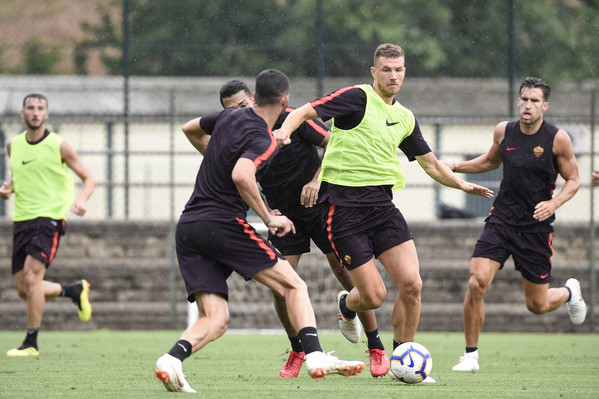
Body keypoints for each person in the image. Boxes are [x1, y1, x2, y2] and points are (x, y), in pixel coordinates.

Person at [274, 43, 494, 382]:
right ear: (374, 72)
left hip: (383, 209)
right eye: (387, 69)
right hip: (344, 212)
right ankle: (348, 305)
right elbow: (302, 111)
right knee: (374, 296)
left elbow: (431, 165)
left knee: (412, 284)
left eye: (399, 69)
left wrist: (463, 186)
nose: (393, 75)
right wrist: (284, 133)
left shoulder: (405, 117)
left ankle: (401, 361)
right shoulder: (356, 98)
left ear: (405, 72)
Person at [153, 69, 364, 393]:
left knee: (216, 319)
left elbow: (190, 128)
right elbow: (241, 175)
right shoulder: (263, 136)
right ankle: (315, 356)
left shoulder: (225, 121)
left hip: (189, 227)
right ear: (284, 101)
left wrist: (216, 155)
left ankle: (171, 360)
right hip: (222, 223)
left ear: (253, 97)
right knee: (294, 286)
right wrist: (268, 217)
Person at [216, 79, 387, 378]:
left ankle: (375, 346)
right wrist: (267, 211)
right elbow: (241, 175)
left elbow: (335, 143)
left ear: (254, 99)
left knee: (347, 272)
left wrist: (316, 180)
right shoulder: (240, 133)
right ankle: (298, 349)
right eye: (230, 111)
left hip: (322, 206)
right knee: (280, 286)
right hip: (284, 217)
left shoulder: (289, 118)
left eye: (243, 105)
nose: (238, 113)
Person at [447, 77, 586, 372]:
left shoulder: (557, 139)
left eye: (534, 101)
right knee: (476, 282)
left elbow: (574, 180)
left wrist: (554, 203)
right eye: (524, 99)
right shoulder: (504, 131)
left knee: (536, 306)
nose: (527, 105)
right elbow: (489, 162)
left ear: (544, 106)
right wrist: (454, 167)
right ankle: (470, 355)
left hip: (536, 227)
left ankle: (570, 292)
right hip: (501, 221)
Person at [0, 93, 95, 357]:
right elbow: (18, 179)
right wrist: (7, 190)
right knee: (24, 289)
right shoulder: (13, 145)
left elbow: (88, 178)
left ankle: (31, 343)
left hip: (49, 218)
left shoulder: (59, 145)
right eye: (30, 108)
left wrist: (82, 200)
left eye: (40, 108)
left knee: (32, 279)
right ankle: (74, 290)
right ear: (22, 113)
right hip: (21, 219)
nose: (35, 112)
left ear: (46, 114)